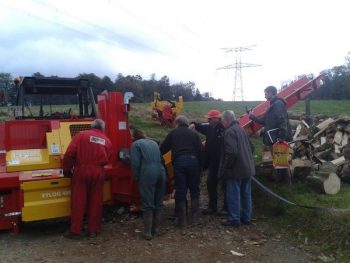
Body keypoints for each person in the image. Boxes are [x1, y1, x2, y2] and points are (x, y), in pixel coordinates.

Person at [63, 119, 112, 239]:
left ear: (92, 126)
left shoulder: (81, 135)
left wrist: (67, 171)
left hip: (82, 170)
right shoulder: (107, 141)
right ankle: (93, 231)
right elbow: (108, 157)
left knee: (78, 201)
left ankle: (75, 231)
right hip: (98, 172)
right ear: (102, 128)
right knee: (96, 201)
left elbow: (69, 154)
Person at [160, 115, 203, 229]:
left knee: (180, 189)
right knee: (194, 189)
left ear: (177, 123)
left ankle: (181, 220)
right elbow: (200, 151)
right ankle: (195, 218)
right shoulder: (194, 134)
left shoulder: (173, 133)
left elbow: (163, 148)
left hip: (179, 162)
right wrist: (201, 167)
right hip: (194, 162)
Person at [219, 110, 255, 227]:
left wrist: (226, 167)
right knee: (246, 194)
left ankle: (234, 219)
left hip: (235, 170)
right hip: (247, 168)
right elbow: (252, 147)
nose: (222, 123)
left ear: (225, 120)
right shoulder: (241, 129)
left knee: (233, 194)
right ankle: (246, 217)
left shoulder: (229, 132)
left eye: (222, 121)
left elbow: (232, 152)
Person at [249, 86, 292, 183]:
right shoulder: (273, 105)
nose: (265, 96)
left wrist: (281, 137)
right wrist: (252, 116)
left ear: (271, 93)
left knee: (282, 161)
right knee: (278, 160)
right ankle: (278, 179)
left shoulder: (278, 105)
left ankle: (286, 183)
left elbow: (282, 121)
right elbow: (265, 121)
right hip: (274, 138)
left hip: (278, 138)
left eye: (266, 93)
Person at [130, 129, 166, 240]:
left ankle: (147, 233)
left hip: (148, 172)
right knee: (159, 202)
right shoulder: (154, 142)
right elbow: (162, 159)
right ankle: (156, 229)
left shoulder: (135, 144)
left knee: (147, 203)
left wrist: (136, 177)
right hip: (161, 171)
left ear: (134, 137)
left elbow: (135, 163)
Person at [189, 109, 227, 215]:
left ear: (216, 118)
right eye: (208, 118)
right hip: (212, 162)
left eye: (210, 118)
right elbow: (201, 127)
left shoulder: (223, 128)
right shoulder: (210, 128)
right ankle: (212, 207)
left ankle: (226, 208)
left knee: (225, 185)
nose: (208, 120)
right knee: (210, 183)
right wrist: (194, 124)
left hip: (222, 161)